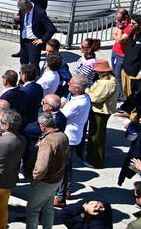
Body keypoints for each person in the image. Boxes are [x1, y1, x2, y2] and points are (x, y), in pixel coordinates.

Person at [27, 112, 69, 229]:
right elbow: (67, 157)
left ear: (42, 126)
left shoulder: (47, 142)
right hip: (57, 179)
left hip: (44, 181)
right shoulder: (63, 136)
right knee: (48, 208)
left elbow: (41, 167)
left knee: (33, 210)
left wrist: (35, 178)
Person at [56, 76, 91, 207]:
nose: (68, 85)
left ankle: (60, 198)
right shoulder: (85, 98)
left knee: (62, 168)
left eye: (70, 84)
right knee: (68, 165)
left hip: (68, 138)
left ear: (76, 89)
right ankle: (68, 190)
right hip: (75, 136)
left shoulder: (76, 103)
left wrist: (60, 107)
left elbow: (60, 117)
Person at [86, 60, 117, 167]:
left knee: (96, 136)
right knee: (96, 134)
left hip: (100, 112)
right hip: (100, 111)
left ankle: (96, 161)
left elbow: (96, 98)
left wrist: (86, 92)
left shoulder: (106, 83)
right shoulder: (108, 80)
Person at [14, 0, 56, 67]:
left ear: (28, 6)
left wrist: (43, 40)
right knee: (23, 63)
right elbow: (21, 21)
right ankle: (24, 77)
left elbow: (52, 28)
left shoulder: (40, 12)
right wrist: (16, 19)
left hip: (34, 43)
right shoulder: (22, 10)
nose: (22, 12)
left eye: (24, 10)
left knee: (34, 65)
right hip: (24, 41)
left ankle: (36, 78)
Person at [121, 15, 141, 99]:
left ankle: (133, 112)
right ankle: (127, 110)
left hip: (134, 73)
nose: (131, 25)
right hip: (125, 70)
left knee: (133, 95)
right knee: (125, 93)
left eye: (133, 23)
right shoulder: (131, 33)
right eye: (131, 23)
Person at [112, 8, 132, 102]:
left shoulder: (129, 27)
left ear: (125, 17)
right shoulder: (120, 23)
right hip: (115, 51)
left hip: (122, 55)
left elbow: (120, 40)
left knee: (118, 75)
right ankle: (117, 93)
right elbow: (114, 35)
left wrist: (120, 29)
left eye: (119, 19)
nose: (118, 21)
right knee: (115, 74)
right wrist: (118, 37)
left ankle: (121, 97)